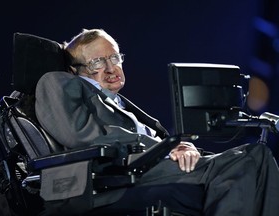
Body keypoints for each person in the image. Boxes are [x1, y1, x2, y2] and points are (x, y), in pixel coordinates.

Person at [35, 28, 279, 216]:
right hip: (113, 177)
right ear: (74, 69)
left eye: (115, 57)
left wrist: (183, 146)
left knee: (258, 156)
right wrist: (163, 147)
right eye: (97, 62)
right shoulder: (57, 82)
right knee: (246, 162)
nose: (111, 68)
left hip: (154, 167)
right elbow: (81, 135)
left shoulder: (118, 103)